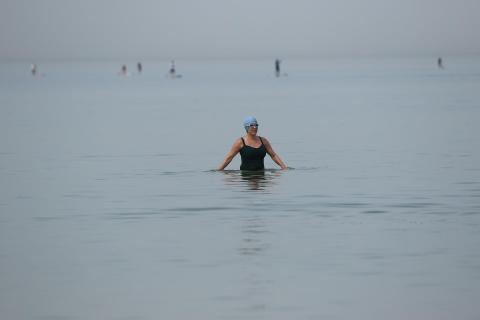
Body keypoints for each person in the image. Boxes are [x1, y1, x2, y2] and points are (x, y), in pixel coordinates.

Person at [217, 116, 287, 171]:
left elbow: (273, 155)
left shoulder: (263, 141)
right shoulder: (240, 142)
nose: (255, 127)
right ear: (246, 127)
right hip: (246, 177)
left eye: (256, 125)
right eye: (252, 125)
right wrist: (219, 170)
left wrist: (283, 167)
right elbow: (229, 158)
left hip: (261, 176)